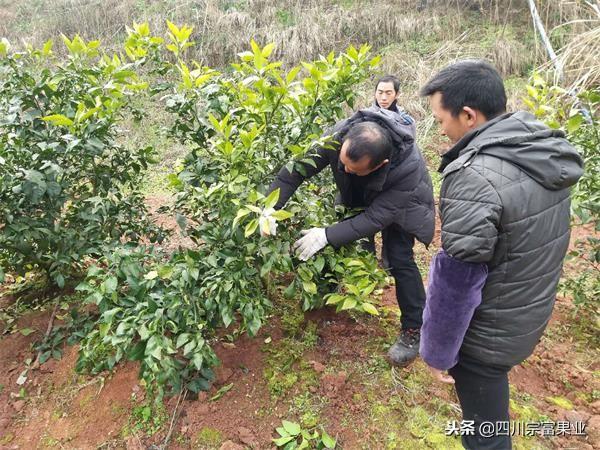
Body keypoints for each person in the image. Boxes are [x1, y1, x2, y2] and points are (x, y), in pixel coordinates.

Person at [418, 60, 583, 449]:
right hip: (523, 314)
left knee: (484, 436)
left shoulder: (475, 174)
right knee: (490, 412)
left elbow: (457, 278)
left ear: (469, 115)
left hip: (486, 334)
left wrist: (439, 352)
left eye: (442, 119)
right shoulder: (538, 151)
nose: (441, 130)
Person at [268, 103, 435, 367]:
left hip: (404, 207)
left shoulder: (407, 168)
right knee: (342, 238)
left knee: (400, 260)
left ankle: (413, 329)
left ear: (381, 164)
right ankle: (327, 292)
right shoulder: (339, 136)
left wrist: (326, 235)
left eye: (352, 169)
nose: (343, 170)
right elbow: (296, 171)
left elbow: (376, 218)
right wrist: (270, 207)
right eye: (342, 164)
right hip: (360, 193)